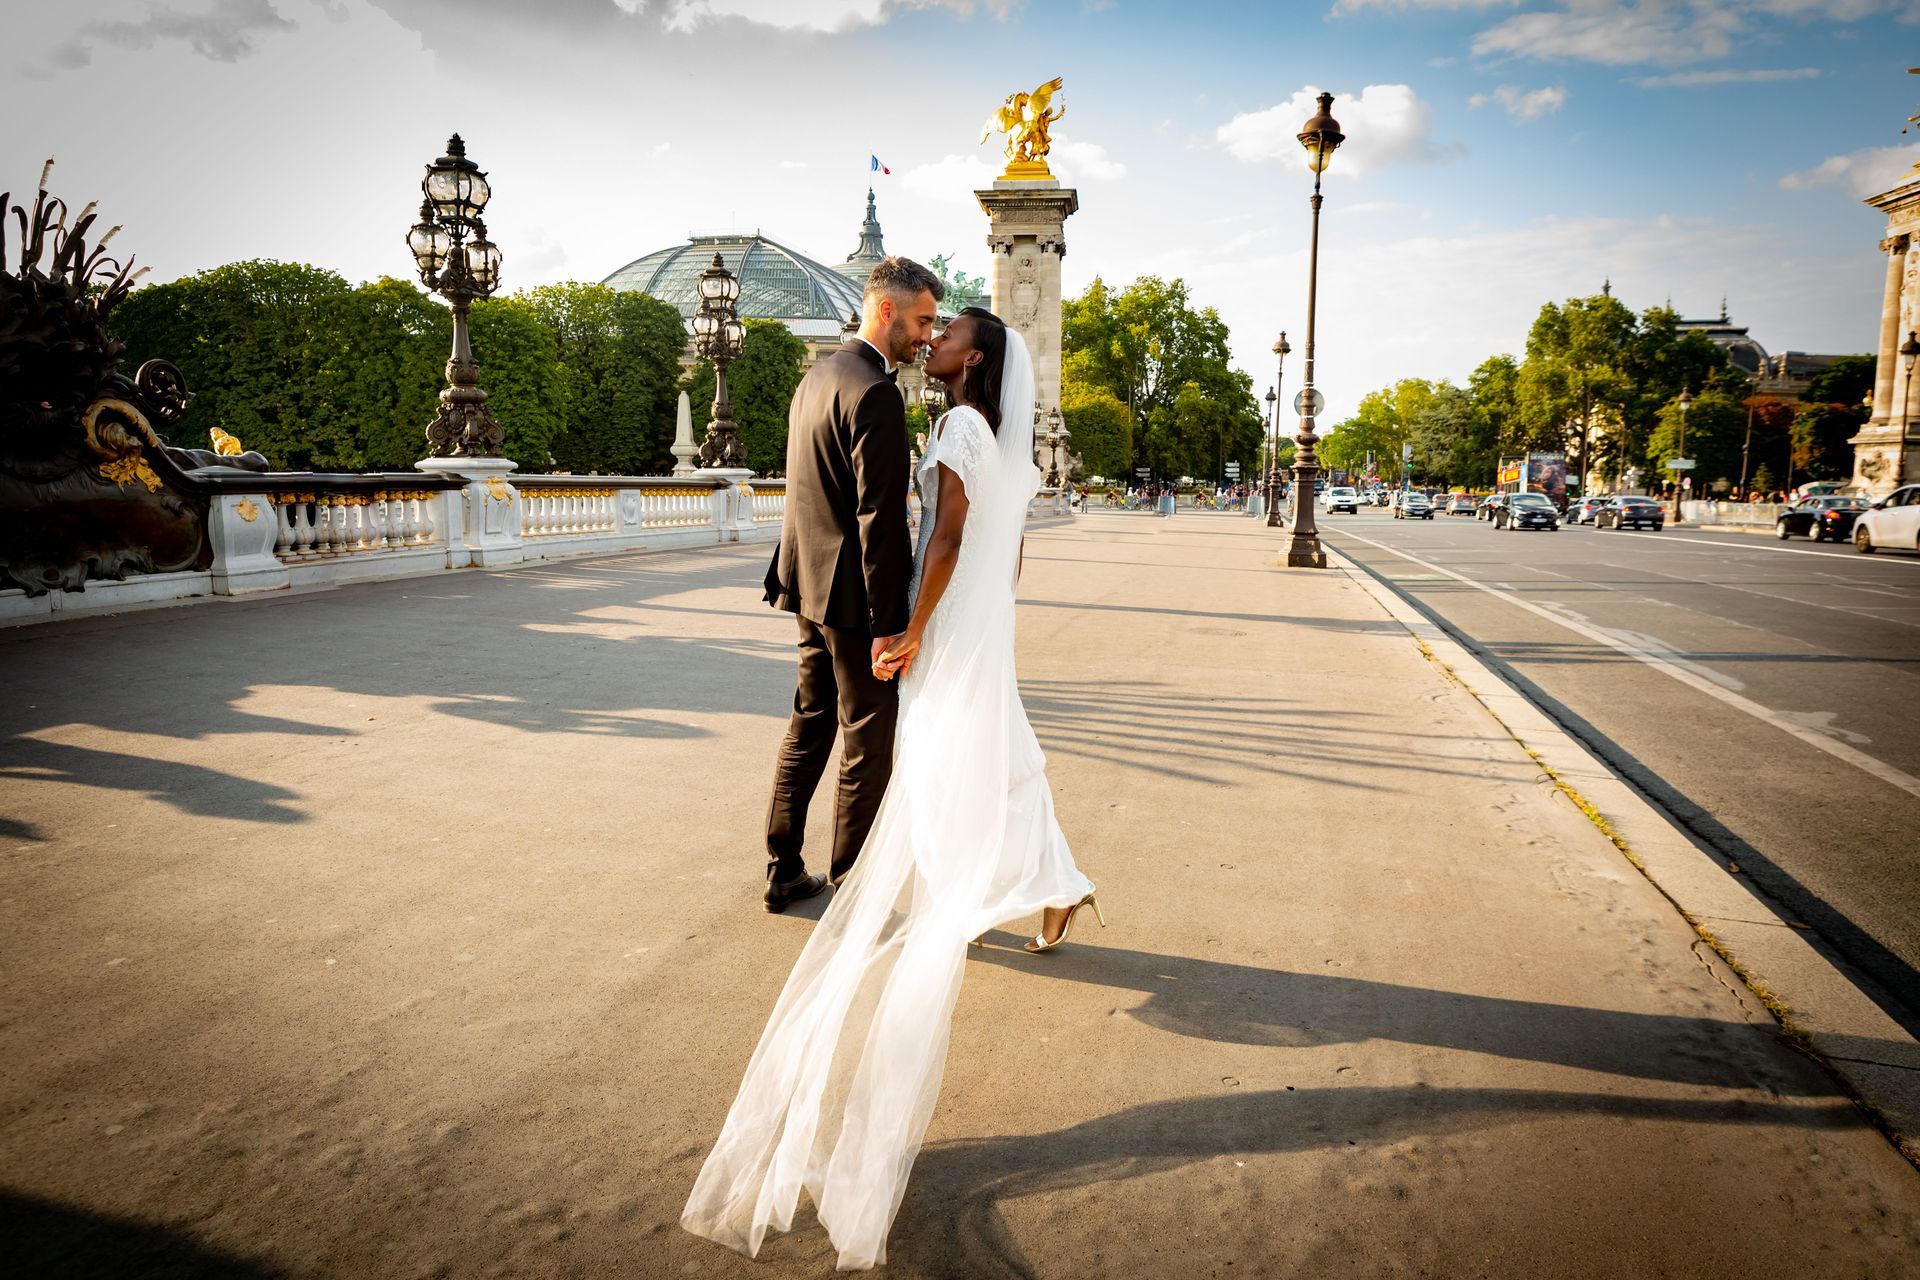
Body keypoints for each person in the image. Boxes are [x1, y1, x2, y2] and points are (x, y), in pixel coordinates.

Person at [682, 308, 1102, 1271]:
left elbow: (947, 533)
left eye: (946, 334)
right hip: (981, 618)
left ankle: (1008, 883)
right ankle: (1054, 883)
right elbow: (1008, 550)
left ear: (977, 358)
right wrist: (974, 614)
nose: (933, 343)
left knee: (953, 758)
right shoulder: (994, 434)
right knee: (995, 747)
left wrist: (916, 627)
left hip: (949, 619)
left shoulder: (957, 426)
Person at [758, 257, 942, 912]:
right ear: (886, 309)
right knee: (867, 740)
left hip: (804, 580)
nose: (929, 335)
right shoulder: (877, 391)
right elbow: (879, 519)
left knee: (810, 722)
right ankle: (853, 894)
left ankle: (783, 868)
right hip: (853, 599)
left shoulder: (818, 377)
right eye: (922, 320)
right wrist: (891, 622)